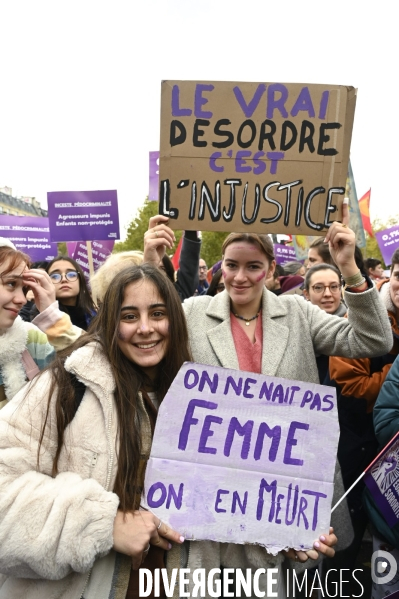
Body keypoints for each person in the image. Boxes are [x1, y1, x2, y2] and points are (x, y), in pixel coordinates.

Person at [0, 264, 188, 598]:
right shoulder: (66, 386)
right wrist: (102, 524)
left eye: (157, 313)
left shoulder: (201, 401)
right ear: (111, 322)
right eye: (129, 316)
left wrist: (282, 537)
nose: (146, 329)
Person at [144, 217, 201, 301]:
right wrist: (149, 266)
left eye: (162, 268)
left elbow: (189, 270)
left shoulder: (177, 295)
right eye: (155, 268)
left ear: (169, 272)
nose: (157, 272)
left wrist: (190, 226)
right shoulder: (136, 295)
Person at [46, 256, 96, 330]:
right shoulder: (41, 318)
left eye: (71, 275)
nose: (64, 279)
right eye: (55, 276)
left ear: (80, 280)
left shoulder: (95, 316)